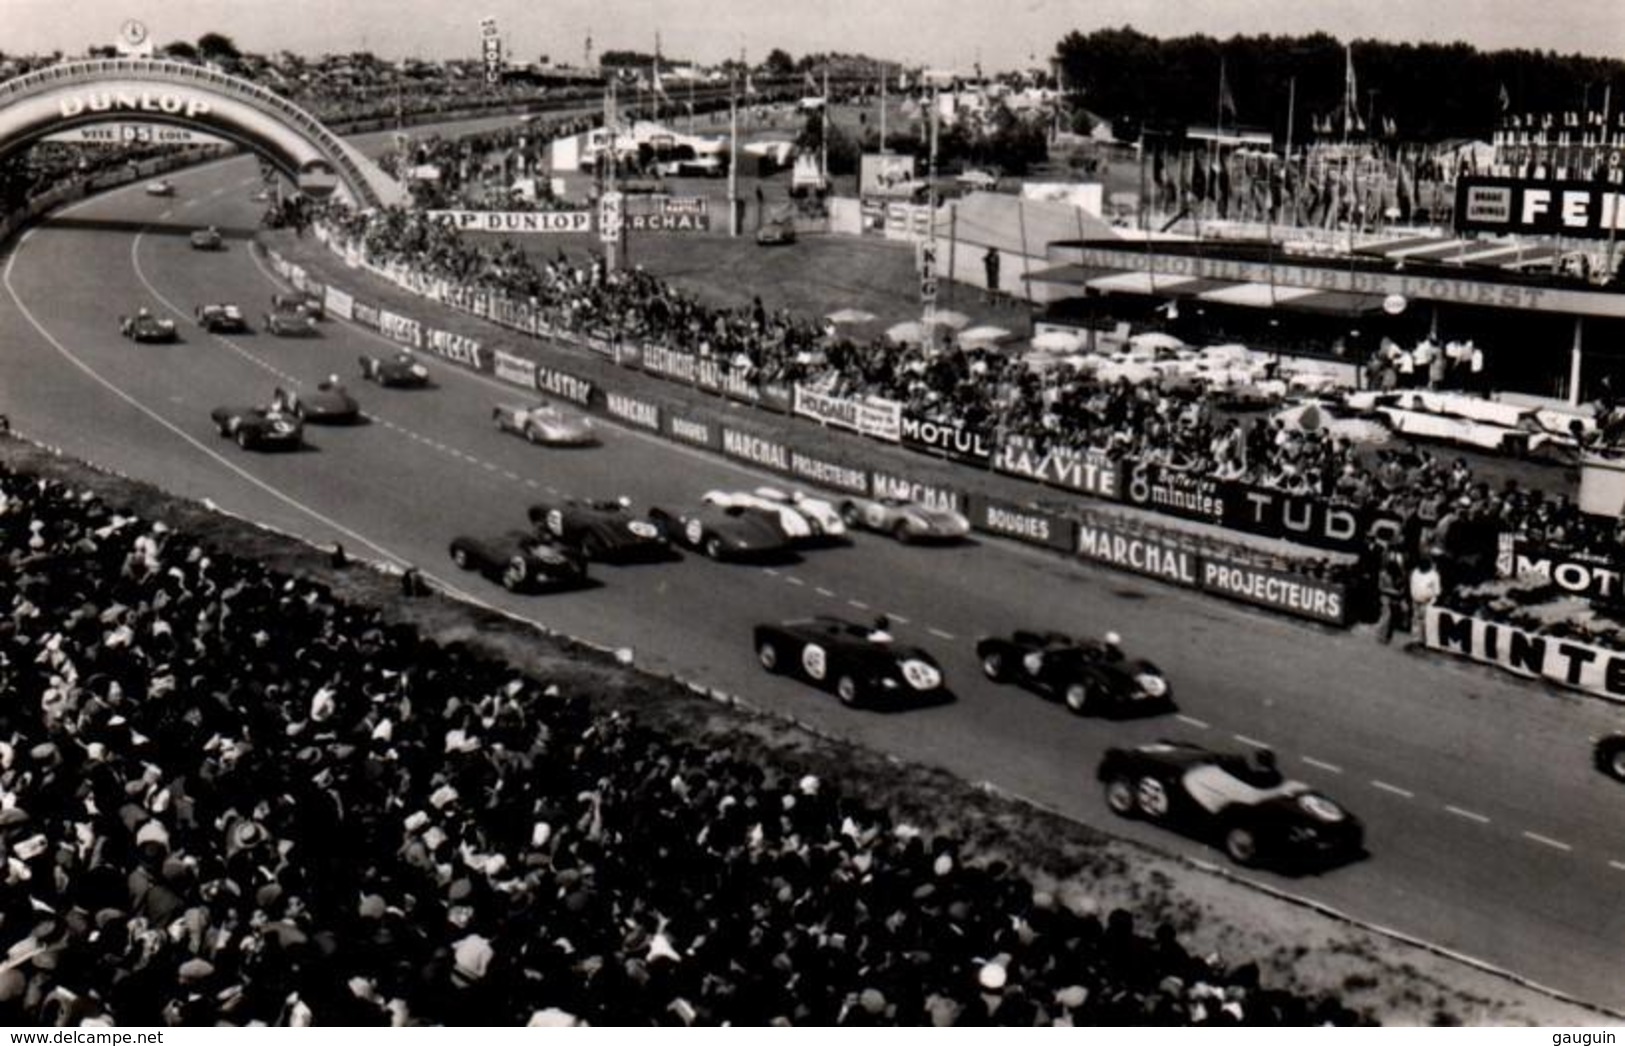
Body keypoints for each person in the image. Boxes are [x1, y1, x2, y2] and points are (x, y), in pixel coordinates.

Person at [1408, 555, 1443, 645]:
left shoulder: (1434, 575)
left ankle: (1424, 641)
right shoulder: (1415, 572)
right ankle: (1415, 640)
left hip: (1427, 602)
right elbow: (1412, 585)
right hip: (1415, 600)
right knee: (1415, 620)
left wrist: (1431, 602)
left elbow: (1437, 591)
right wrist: (1413, 596)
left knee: (1425, 621)